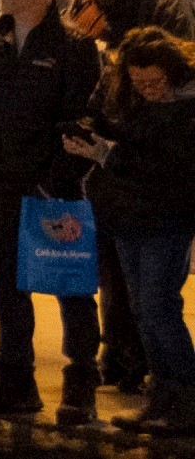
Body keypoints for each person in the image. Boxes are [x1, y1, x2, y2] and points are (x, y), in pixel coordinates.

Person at [0, 0, 104, 422]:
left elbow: (82, 117)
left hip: (49, 188)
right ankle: (15, 380)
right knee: (7, 285)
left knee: (69, 284)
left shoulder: (72, 46)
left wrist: (57, 177)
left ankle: (81, 383)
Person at [68, 0, 195, 395]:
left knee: (154, 295)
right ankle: (120, 354)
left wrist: (111, 49)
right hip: (111, 163)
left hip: (154, 166)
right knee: (117, 276)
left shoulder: (167, 0)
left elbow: (174, 74)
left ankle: (170, 383)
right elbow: (76, 56)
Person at [65, 28, 195, 434]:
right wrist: (87, 130)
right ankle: (160, 399)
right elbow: (107, 125)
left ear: (172, 72)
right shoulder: (128, 99)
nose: (149, 89)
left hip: (166, 221)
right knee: (142, 311)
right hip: (127, 218)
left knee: (159, 308)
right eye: (140, 83)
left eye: (155, 81)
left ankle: (186, 398)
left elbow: (167, 166)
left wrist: (107, 154)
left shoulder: (187, 107)